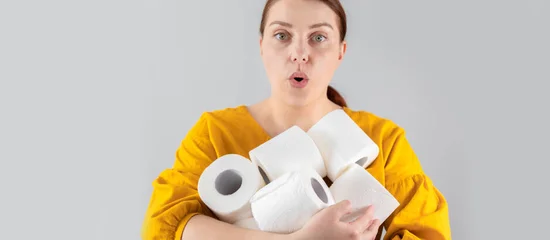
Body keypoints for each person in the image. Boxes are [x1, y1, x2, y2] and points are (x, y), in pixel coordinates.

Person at [141, 0, 452, 239]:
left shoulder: (382, 140)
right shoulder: (215, 134)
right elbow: (168, 227)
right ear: (262, 46)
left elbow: (428, 232)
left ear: (340, 52)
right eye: (282, 35)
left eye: (318, 37)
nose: (300, 53)